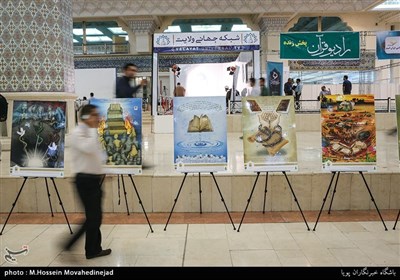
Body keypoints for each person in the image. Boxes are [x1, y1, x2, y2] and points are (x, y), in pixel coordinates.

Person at [64, 104, 111, 260]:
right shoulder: (77, 134)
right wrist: (91, 128)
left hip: (94, 180)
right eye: (94, 115)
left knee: (95, 217)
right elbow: (89, 149)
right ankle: (73, 246)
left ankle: (94, 248)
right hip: (84, 181)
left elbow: (98, 156)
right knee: (92, 218)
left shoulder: (91, 133)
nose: (97, 118)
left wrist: (106, 171)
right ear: (85, 117)